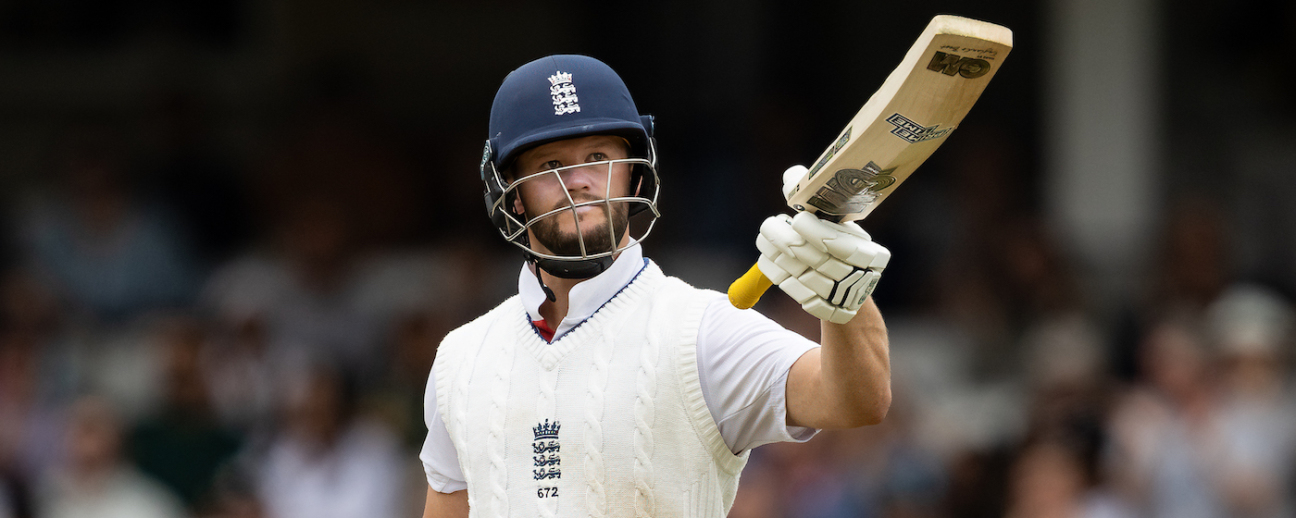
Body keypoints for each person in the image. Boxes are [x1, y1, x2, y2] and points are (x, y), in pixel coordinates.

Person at [420, 54, 893, 518]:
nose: (578, 182)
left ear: (634, 172)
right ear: (512, 192)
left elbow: (856, 401)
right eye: (549, 165)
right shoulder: (461, 359)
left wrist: (845, 300)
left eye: (598, 157)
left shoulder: (702, 331)